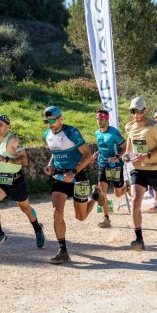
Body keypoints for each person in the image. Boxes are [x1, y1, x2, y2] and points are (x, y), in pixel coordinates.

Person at [42, 106, 103, 264]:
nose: (48, 123)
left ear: (61, 118)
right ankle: (63, 251)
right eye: (45, 121)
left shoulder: (72, 132)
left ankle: (95, 196)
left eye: (51, 120)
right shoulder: (47, 135)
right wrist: (51, 166)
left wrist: (74, 172)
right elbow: (55, 154)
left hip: (78, 176)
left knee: (80, 217)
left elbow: (88, 155)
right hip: (60, 177)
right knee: (57, 212)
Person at [123, 97, 157, 251]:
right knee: (135, 201)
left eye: (139, 111)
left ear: (145, 110)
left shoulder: (155, 127)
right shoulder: (129, 126)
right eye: (133, 111)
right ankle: (139, 239)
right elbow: (131, 139)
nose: (136, 114)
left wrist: (146, 155)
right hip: (138, 169)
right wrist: (127, 154)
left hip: (155, 169)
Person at [0, 114, 45, 248]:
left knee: (25, 208)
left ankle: (37, 228)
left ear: (8, 126)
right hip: (1, 180)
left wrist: (7, 160)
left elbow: (24, 160)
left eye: (1, 125)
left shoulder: (14, 141)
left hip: (16, 180)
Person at [93, 109, 127, 228]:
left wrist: (117, 157)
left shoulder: (114, 133)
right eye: (97, 119)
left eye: (101, 119)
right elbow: (102, 147)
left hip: (115, 165)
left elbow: (125, 146)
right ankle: (106, 218)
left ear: (107, 119)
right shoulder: (97, 133)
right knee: (102, 191)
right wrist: (97, 153)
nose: (99, 121)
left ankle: (126, 188)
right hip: (103, 163)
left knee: (118, 194)